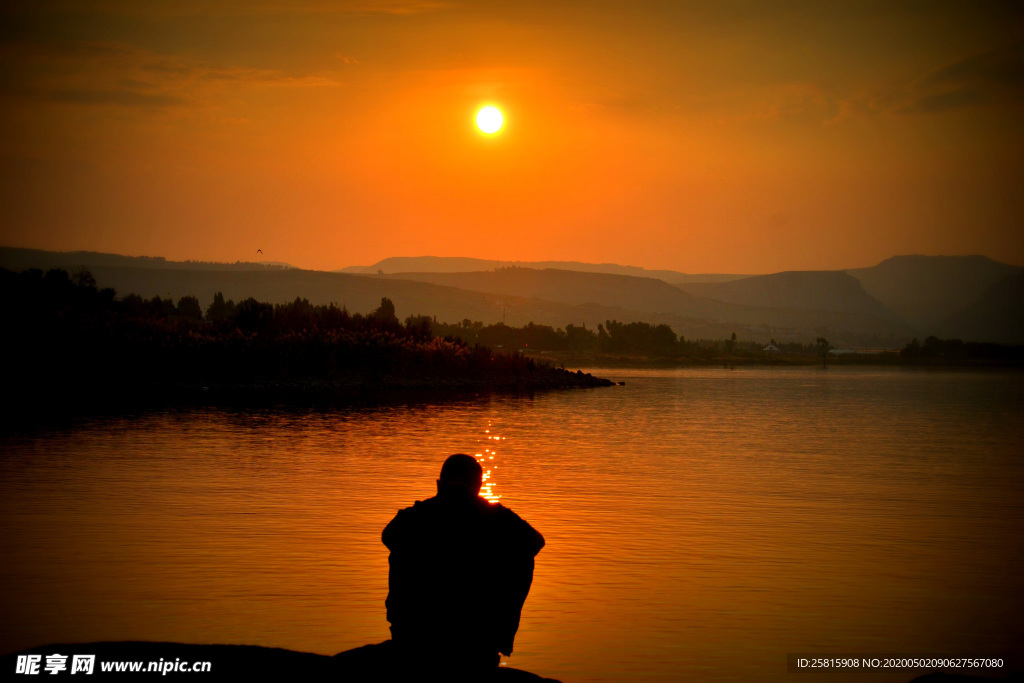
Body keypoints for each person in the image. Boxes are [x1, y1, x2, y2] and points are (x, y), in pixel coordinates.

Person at [382, 453, 545, 680]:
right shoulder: (496, 516)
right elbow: (536, 542)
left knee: (401, 547)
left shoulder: (413, 516)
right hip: (475, 635)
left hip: (413, 632)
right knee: (523, 555)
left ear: (439, 484)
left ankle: (408, 628)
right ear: (478, 487)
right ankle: (497, 636)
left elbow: (388, 537)